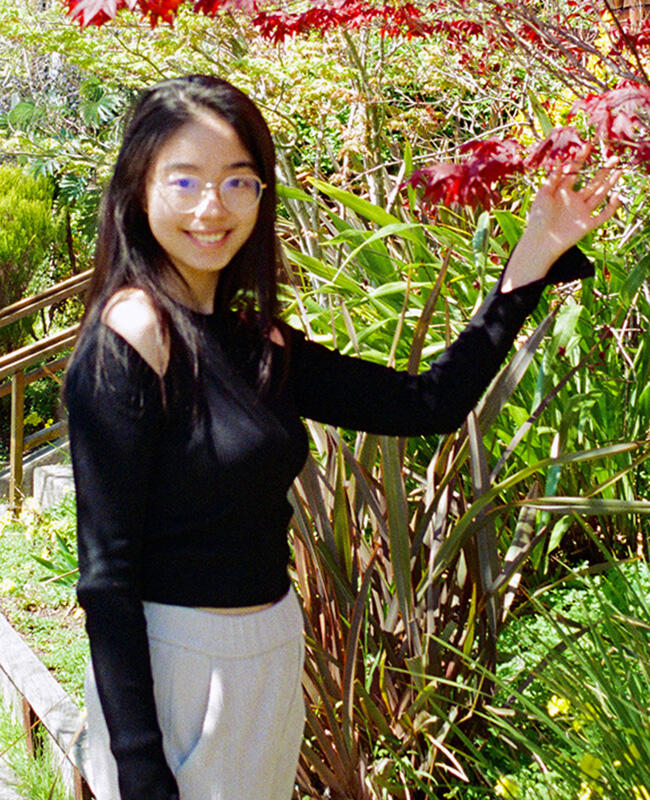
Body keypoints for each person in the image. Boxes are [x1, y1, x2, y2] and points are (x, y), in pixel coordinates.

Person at [63, 74, 621, 800]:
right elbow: (107, 579)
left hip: (268, 654)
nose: (213, 207)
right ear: (138, 191)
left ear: (263, 197)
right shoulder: (132, 335)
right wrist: (139, 766)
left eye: (239, 182)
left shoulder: (254, 341)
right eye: (185, 181)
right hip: (174, 666)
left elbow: (428, 403)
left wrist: (531, 260)